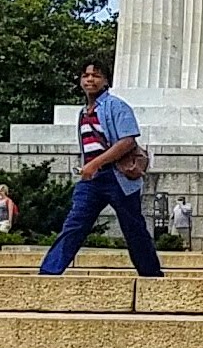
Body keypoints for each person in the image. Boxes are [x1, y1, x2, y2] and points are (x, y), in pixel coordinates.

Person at [36, 60, 165, 278]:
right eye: (86, 76)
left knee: (133, 228)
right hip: (93, 179)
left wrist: (96, 163)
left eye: (95, 75)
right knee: (74, 224)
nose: (90, 80)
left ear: (105, 81)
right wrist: (90, 168)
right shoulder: (83, 112)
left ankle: (151, 274)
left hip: (118, 177)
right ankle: (49, 272)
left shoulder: (116, 106)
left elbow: (127, 140)